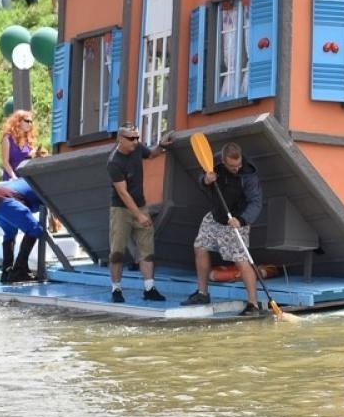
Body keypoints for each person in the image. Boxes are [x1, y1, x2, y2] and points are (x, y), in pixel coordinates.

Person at [179, 142, 265, 315]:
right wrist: (205, 180)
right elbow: (202, 178)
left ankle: (253, 304)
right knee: (200, 247)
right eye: (232, 166)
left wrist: (241, 220)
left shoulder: (249, 175)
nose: (237, 168)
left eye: (239, 164)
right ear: (224, 161)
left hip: (237, 219)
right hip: (216, 215)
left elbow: (256, 202)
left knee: (241, 259)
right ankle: (202, 293)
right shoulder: (214, 163)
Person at [107, 123, 174, 303]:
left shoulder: (137, 148)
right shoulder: (114, 161)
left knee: (147, 249)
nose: (135, 141)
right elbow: (123, 193)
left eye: (137, 137)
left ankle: (149, 288)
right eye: (131, 138)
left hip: (141, 205)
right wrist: (139, 215)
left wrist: (161, 145)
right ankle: (116, 289)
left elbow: (151, 154)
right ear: (120, 139)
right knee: (117, 252)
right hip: (121, 209)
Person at [0, 178, 63, 284]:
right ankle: (19, 270)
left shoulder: (31, 179)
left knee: (10, 233)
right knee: (35, 229)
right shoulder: (45, 186)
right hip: (4, 198)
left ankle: (6, 271)